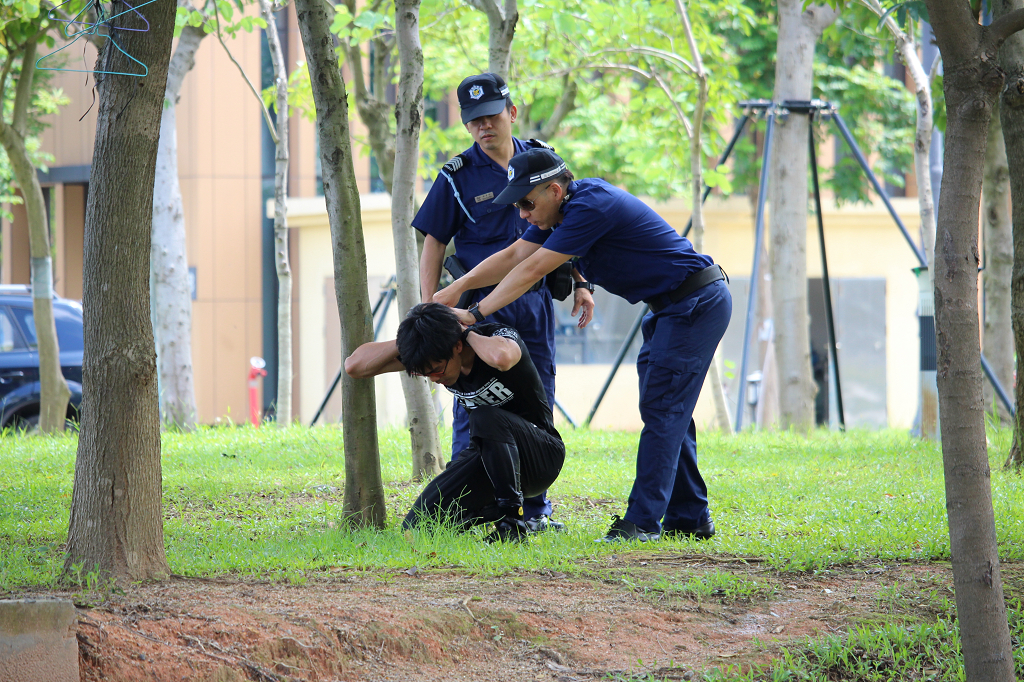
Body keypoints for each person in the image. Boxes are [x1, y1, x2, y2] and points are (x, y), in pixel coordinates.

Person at [434, 148, 732, 543]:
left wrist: (474, 313)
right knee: (667, 409)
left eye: (526, 203)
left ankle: (642, 522)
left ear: (555, 191)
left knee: (663, 410)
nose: (523, 214)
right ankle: (690, 516)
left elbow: (532, 269)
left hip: (695, 303)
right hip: (668, 308)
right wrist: (455, 287)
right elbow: (513, 254)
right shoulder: (563, 210)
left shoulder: (591, 206)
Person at [413, 72, 594, 532]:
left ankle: (534, 510)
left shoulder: (542, 160)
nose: (483, 128)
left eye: (491, 116)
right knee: (471, 400)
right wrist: (431, 310)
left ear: (511, 112)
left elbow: (569, 222)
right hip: (475, 308)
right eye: (474, 121)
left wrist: (581, 280)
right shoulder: (456, 176)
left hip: (532, 302)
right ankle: (463, 509)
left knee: (538, 399)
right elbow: (434, 242)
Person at [344, 303, 565, 542]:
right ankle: (478, 514)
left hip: (541, 456)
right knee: (417, 525)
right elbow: (354, 366)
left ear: (458, 346)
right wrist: (415, 335)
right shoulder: (433, 354)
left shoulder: (494, 338)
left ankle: (512, 525)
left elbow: (503, 358)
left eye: (437, 370)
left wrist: (465, 331)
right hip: (490, 462)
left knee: (485, 416)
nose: (435, 379)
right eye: (425, 374)